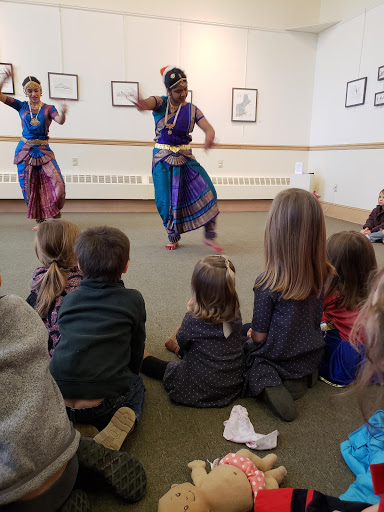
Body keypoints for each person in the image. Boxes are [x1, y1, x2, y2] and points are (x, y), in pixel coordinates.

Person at [0, 273, 146, 511]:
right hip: (62, 448)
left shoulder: (63, 298)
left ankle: (78, 454)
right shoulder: (19, 307)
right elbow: (48, 348)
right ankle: (82, 450)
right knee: (136, 383)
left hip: (19, 495)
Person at [50, 226, 146, 451]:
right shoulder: (133, 299)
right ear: (126, 266)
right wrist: (131, 373)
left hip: (58, 398)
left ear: (80, 266)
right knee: (138, 385)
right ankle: (122, 425)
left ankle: (72, 428)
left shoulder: (70, 300)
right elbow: (136, 346)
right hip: (103, 404)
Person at [243, 188, 333, 422]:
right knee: (246, 327)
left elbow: (260, 337)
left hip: (277, 358)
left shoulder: (267, 283)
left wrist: (253, 336)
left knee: (249, 355)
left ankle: (274, 386)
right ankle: (303, 378)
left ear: (275, 233)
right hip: (310, 354)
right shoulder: (324, 274)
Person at [132, 66, 223, 251]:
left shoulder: (192, 110)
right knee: (165, 201)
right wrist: (142, 103)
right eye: (178, 91)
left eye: (185, 89)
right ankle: (172, 235)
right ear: (168, 91)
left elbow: (208, 128)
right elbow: (149, 102)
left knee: (209, 191)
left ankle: (209, 235)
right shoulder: (161, 103)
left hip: (185, 156)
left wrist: (209, 136)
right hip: (162, 157)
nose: (183, 94)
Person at [141, 255, 244, 407]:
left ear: (198, 291)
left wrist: (190, 312)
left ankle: (143, 357)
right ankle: (173, 346)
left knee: (162, 368)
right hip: (230, 382)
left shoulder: (193, 320)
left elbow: (183, 342)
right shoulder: (235, 313)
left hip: (199, 384)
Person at [0, 68, 66, 230]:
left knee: (56, 181)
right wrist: (4, 79)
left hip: (43, 149)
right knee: (30, 184)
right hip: (25, 150)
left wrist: (63, 112)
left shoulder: (49, 108)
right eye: (29, 91)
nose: (33, 93)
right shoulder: (20, 106)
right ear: (25, 92)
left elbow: (60, 121)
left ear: (41, 90)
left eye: (36, 90)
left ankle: (55, 214)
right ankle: (40, 221)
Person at [319, 231, 377, 386]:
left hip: (347, 352)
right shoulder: (375, 287)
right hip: (372, 345)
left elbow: (314, 317)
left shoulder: (330, 290)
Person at [26, 219, 83, 357]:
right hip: (90, 357)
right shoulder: (91, 279)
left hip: (53, 362)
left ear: (40, 252)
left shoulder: (40, 284)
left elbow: (28, 325)